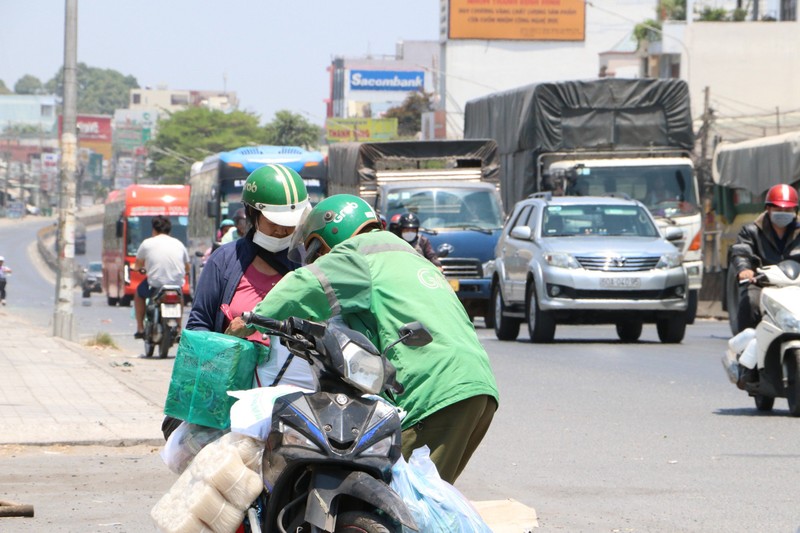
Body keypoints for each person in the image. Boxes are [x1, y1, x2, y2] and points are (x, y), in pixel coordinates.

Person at [228, 194, 499, 483]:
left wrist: (249, 320)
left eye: (316, 251)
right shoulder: (405, 254)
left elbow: (305, 283)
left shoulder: (357, 254)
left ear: (331, 233)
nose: (320, 259)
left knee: (395, 500)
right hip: (476, 386)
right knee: (429, 499)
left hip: (433, 392)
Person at [165, 164, 317, 440]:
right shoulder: (225, 261)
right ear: (252, 215)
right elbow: (199, 323)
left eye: (290, 224)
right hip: (236, 397)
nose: (284, 231)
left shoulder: (312, 262)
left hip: (299, 396)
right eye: (275, 223)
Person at [731, 183, 800, 385]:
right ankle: (747, 361)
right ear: (768, 209)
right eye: (778, 209)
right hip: (762, 284)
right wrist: (745, 269)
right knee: (751, 300)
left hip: (795, 285)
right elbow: (741, 252)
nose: (783, 214)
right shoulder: (751, 231)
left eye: (787, 210)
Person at [133, 216, 190, 339]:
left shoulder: (147, 243)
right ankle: (179, 327)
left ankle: (140, 328)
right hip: (176, 284)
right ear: (169, 231)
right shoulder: (179, 244)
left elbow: (137, 265)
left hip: (156, 285)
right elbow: (187, 267)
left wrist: (139, 269)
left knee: (138, 294)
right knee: (179, 297)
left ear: (154, 229)